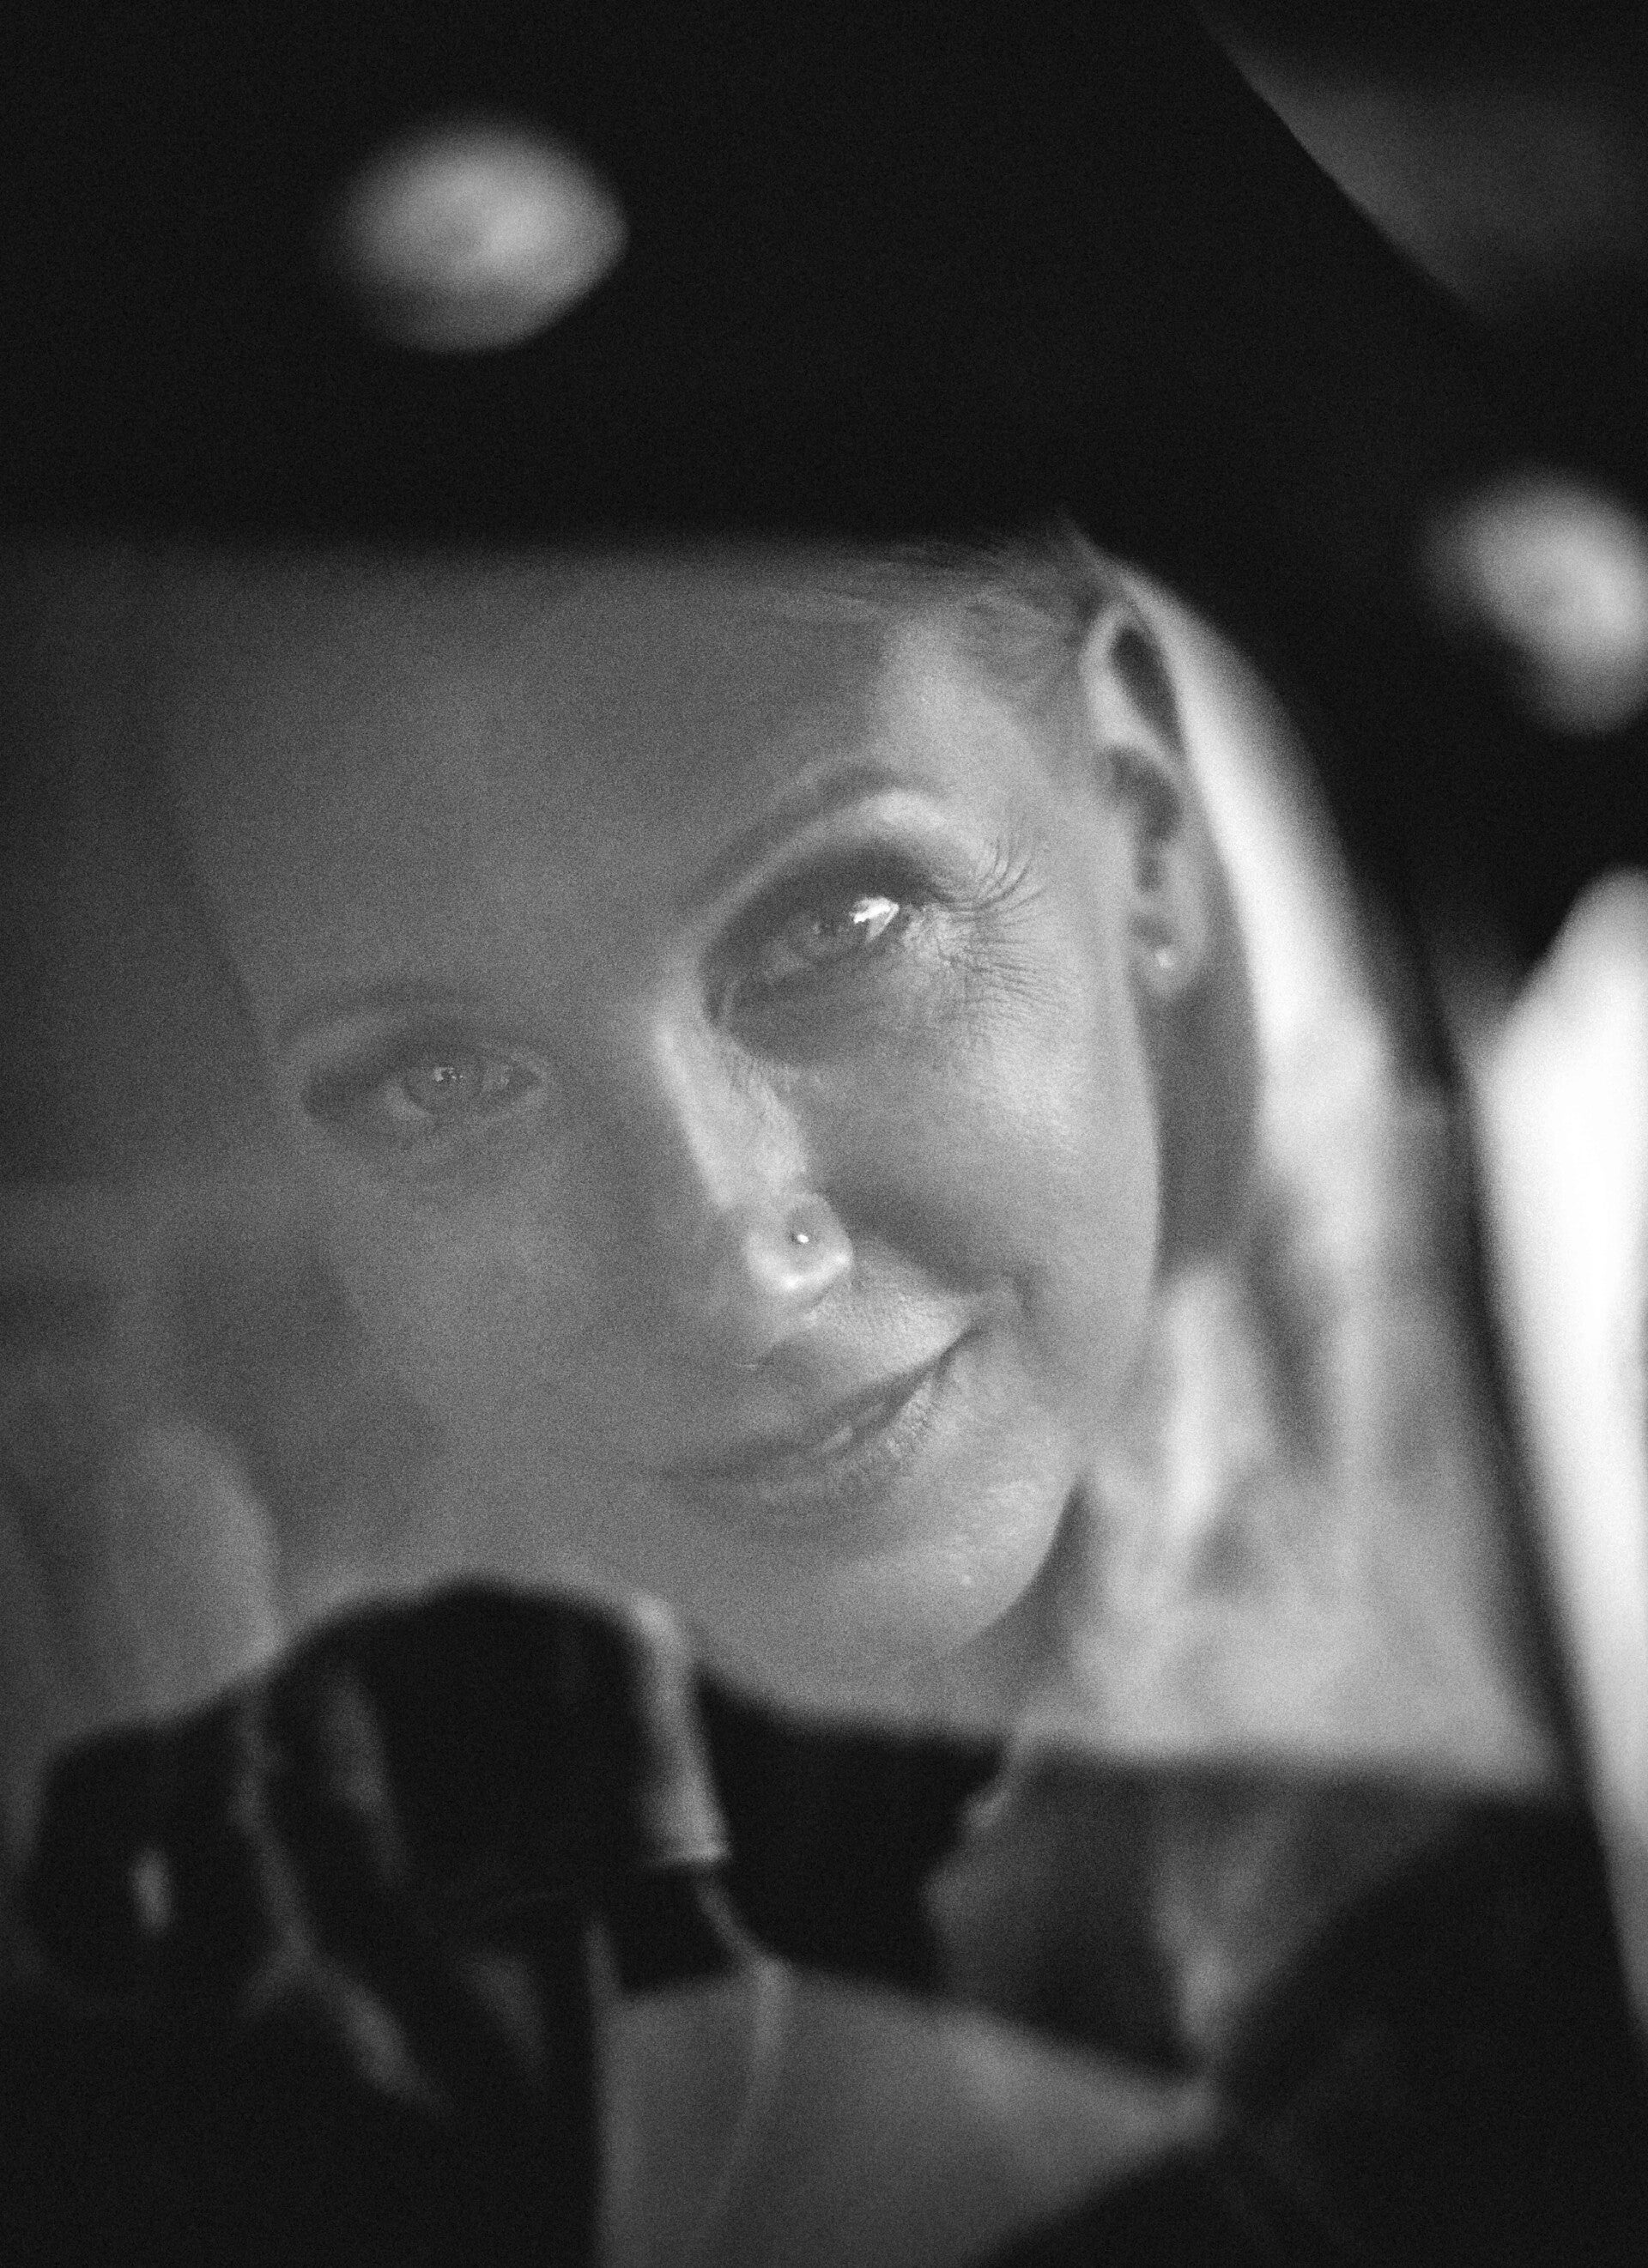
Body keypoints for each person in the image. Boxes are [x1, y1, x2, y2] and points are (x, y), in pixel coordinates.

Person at [3, 3, 1645, 2263]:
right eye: (437, 1081)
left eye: (838, 925)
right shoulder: (205, 1940)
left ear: (1146, 833)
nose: (719, 1239)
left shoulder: (1557, 1633)